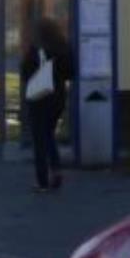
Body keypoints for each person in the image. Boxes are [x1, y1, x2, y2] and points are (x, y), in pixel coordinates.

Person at [21, 17, 76, 191]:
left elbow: (25, 72)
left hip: (40, 98)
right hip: (58, 97)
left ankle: (42, 180)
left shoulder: (37, 48)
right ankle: (56, 170)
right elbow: (71, 72)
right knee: (49, 134)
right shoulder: (64, 48)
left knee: (39, 139)